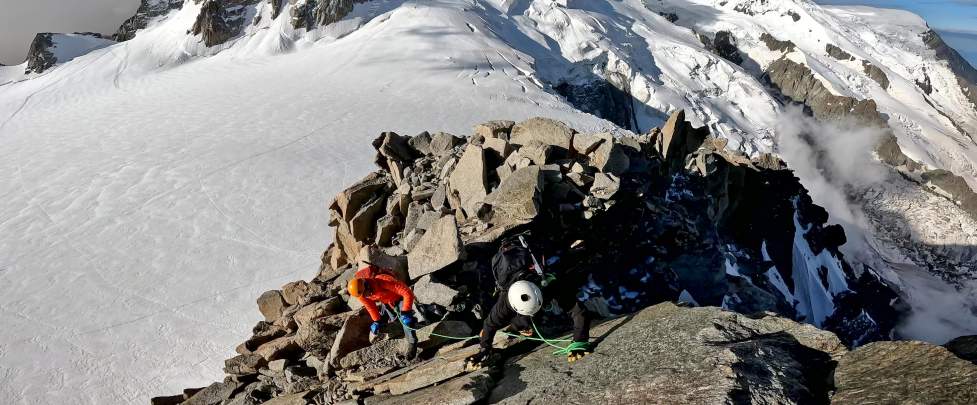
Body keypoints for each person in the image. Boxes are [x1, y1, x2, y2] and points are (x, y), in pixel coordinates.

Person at [465, 235, 592, 370]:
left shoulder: (548, 286)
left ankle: (575, 248)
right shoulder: (505, 302)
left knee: (563, 268)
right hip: (511, 268)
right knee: (517, 321)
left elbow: (578, 310)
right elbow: (489, 324)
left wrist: (580, 340)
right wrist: (484, 348)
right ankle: (520, 326)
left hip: (533, 266)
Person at [347, 264, 417, 341]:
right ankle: (400, 329)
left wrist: (406, 312)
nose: (368, 293)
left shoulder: (383, 280)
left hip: (400, 298)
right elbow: (370, 307)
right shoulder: (361, 295)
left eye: (367, 289)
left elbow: (407, 292)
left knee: (406, 323)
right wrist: (376, 321)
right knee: (389, 324)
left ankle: (412, 344)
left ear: (366, 283)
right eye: (365, 294)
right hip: (387, 302)